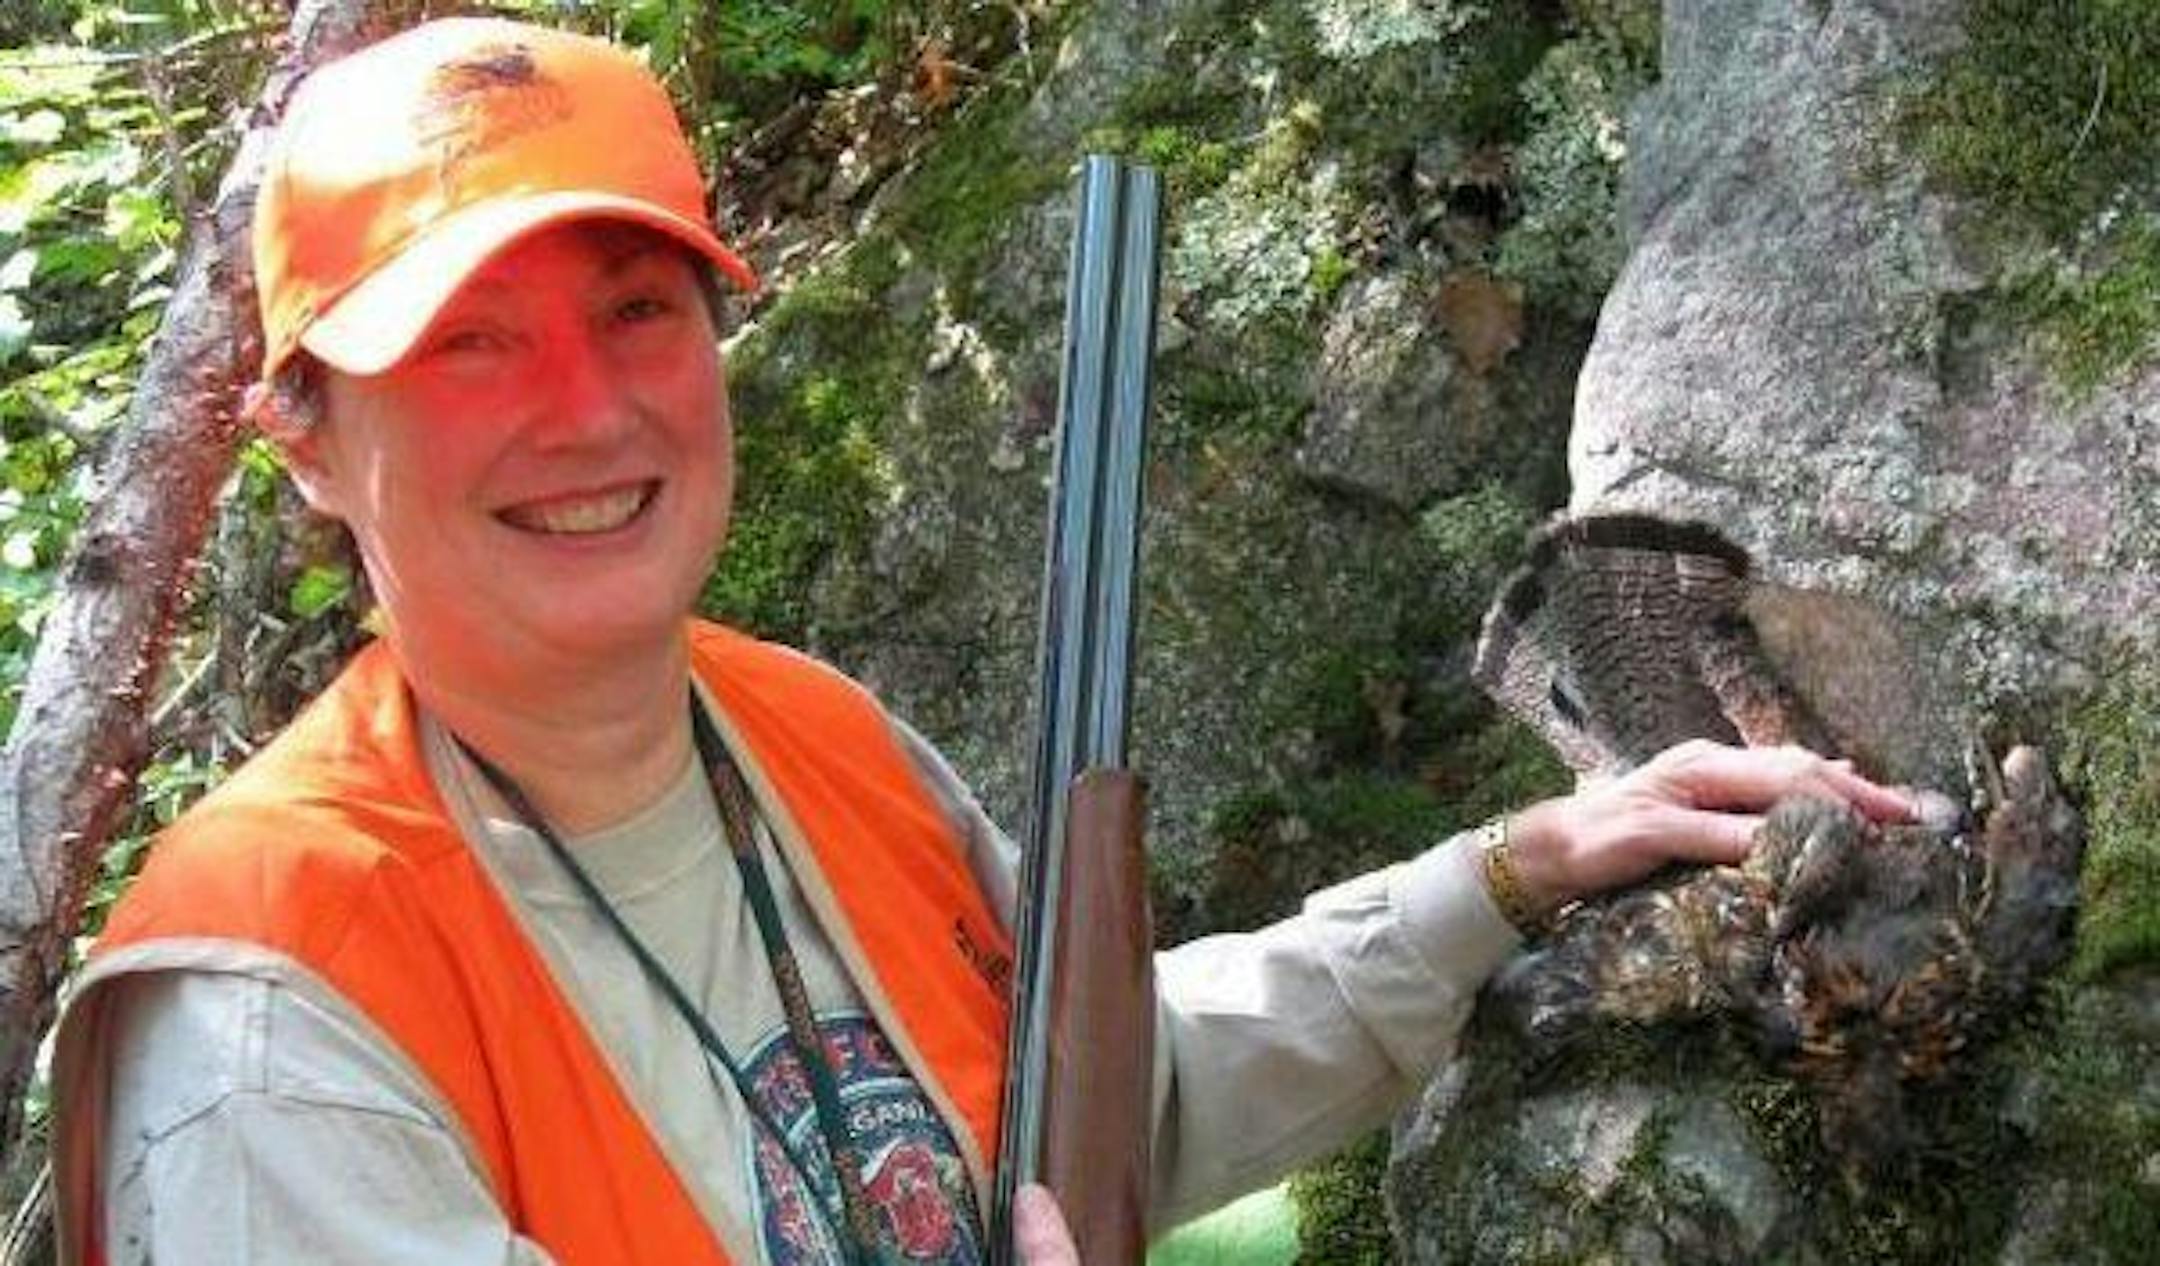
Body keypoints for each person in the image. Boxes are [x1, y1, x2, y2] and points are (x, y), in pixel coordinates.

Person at [48, 17, 1916, 1266]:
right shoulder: (274, 1023)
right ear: (301, 436)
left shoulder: (804, 739)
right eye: (469, 338)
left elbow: (1085, 1103)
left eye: (636, 307)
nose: (586, 406)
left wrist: (1509, 875)